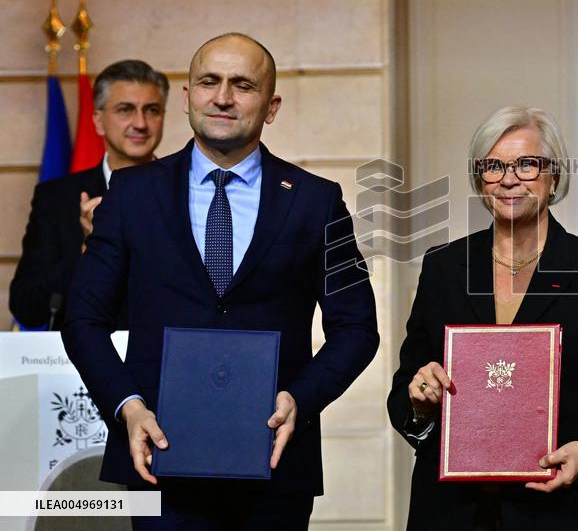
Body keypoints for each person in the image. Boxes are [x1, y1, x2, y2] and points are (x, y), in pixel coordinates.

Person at [62, 33, 379, 530]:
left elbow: (357, 328)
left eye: (243, 85)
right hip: (157, 459)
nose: (224, 97)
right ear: (188, 97)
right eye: (209, 81)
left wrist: (301, 398)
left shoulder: (317, 202)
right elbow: (82, 318)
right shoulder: (130, 194)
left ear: (271, 106)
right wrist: (127, 408)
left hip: (274, 463)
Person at [386, 106, 578, 530]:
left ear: (553, 175)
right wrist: (420, 402)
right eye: (493, 166)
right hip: (453, 511)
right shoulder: (444, 268)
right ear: (478, 177)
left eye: (526, 163)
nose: (508, 178)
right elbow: (405, 390)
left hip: (563, 511)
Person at [10, 59, 168, 330]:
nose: (140, 123)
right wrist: (88, 249)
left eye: (151, 110)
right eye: (125, 109)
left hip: (164, 358)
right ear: (98, 120)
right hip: (80, 362)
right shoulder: (56, 198)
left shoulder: (188, 191)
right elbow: (28, 307)